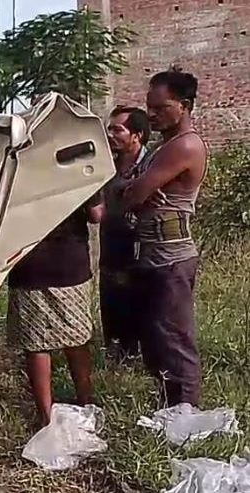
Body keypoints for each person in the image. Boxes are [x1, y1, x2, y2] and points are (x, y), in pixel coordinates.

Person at [123, 69, 207, 407]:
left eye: (161, 107)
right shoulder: (162, 147)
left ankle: (186, 414)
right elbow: (125, 188)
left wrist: (139, 189)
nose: (153, 115)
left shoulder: (184, 145)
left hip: (172, 256)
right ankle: (169, 407)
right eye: (150, 108)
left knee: (175, 338)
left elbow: (132, 194)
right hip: (153, 253)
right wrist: (136, 188)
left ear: (184, 106)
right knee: (157, 337)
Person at [7, 194, 104, 426]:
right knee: (77, 339)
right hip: (70, 261)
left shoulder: (14, 162)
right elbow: (96, 214)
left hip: (28, 261)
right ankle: (86, 403)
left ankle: (46, 417)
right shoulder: (78, 162)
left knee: (37, 344)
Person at [100, 106, 150, 361]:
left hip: (140, 244)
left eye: (117, 129)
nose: (111, 134)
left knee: (139, 302)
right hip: (111, 242)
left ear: (137, 135)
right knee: (111, 301)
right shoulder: (107, 165)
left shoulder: (151, 165)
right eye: (109, 129)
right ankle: (116, 353)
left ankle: (138, 355)